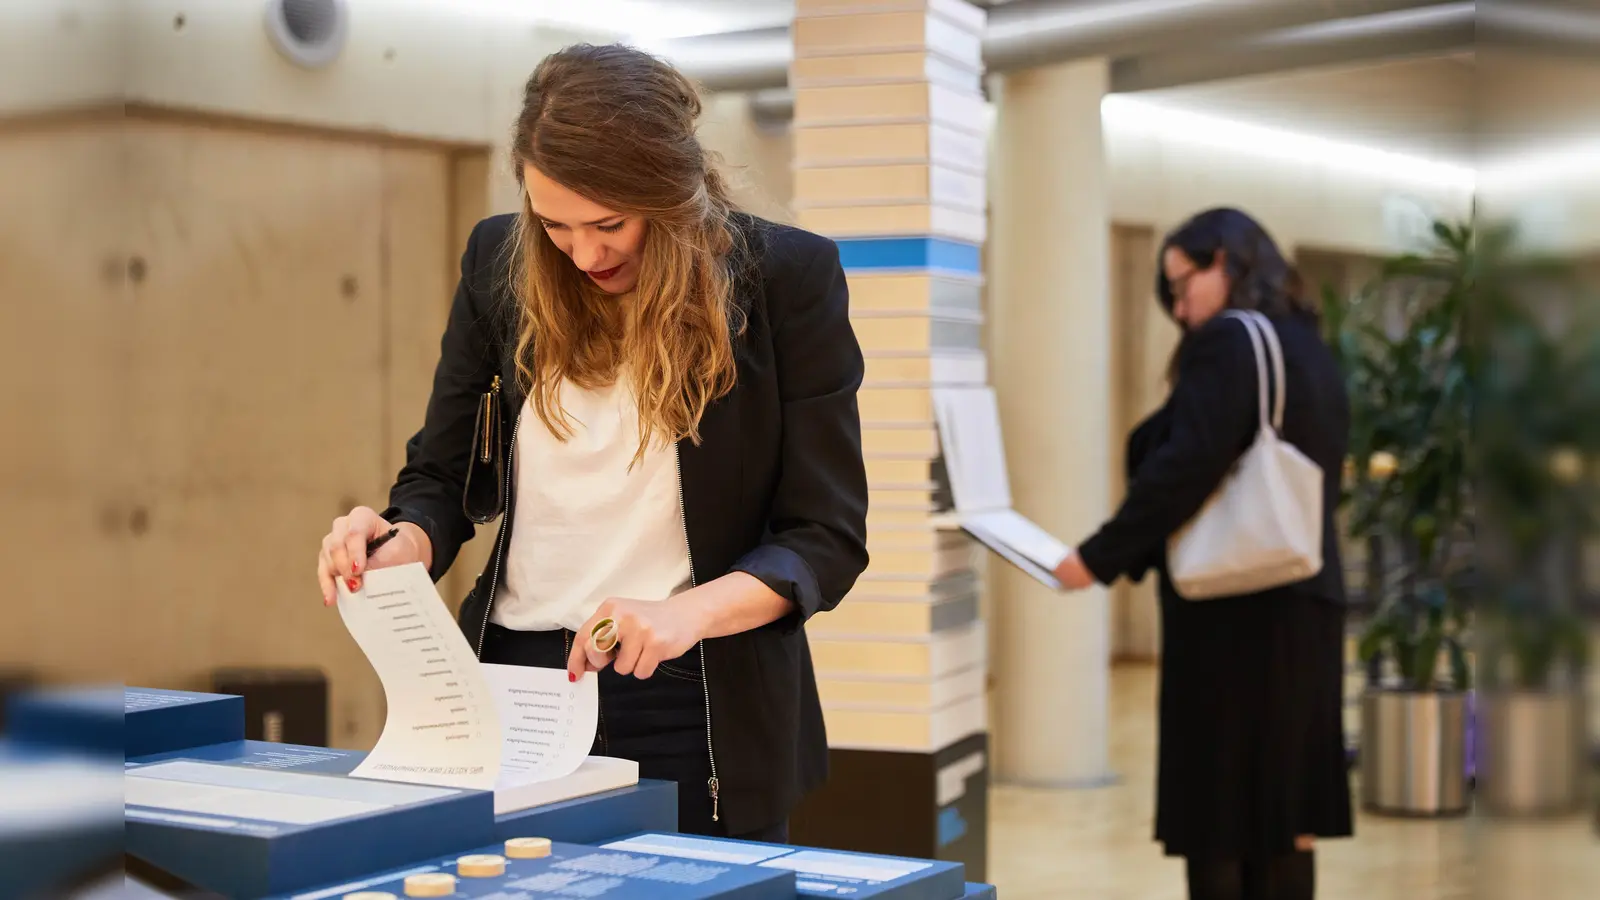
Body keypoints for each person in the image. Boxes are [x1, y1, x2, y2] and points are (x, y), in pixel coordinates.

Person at [314, 43, 869, 842]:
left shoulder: (786, 279)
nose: (584, 254)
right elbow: (438, 476)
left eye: (611, 224)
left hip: (695, 695)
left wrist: (688, 614)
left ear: (672, 194)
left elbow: (826, 538)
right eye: (556, 226)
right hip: (515, 686)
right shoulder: (498, 263)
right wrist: (405, 540)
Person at [1052, 208, 1354, 900]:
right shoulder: (1305, 344)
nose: (1178, 307)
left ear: (1224, 261)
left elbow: (1185, 466)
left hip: (1235, 617)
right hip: (1303, 602)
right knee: (1282, 813)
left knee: (1220, 811)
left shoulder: (1229, 342)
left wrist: (1097, 557)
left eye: (1181, 285)